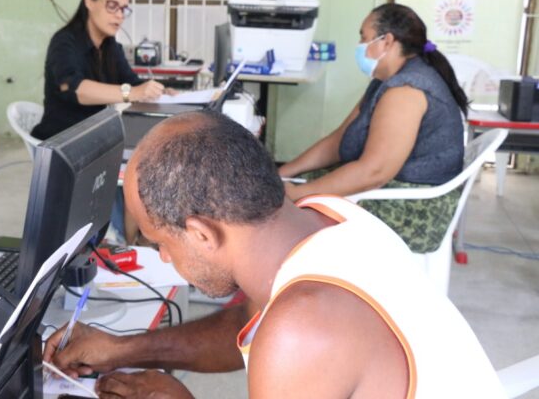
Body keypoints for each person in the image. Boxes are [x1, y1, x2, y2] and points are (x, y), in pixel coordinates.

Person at [44, 111, 505, 398]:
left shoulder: (299, 330)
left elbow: (284, 330)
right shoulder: (327, 216)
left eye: (160, 243)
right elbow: (247, 322)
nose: (164, 259)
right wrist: (125, 349)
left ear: (202, 234)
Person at [278, 3, 466, 252]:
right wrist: (283, 173)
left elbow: (374, 172)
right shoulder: (385, 80)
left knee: (289, 215)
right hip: (392, 190)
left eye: (364, 37)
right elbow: (338, 140)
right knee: (288, 194)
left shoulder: (406, 91)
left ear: (387, 41)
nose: (359, 45)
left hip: (413, 209)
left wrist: (299, 194)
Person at [30, 0, 168, 140]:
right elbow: (75, 89)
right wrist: (132, 93)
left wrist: (161, 91)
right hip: (62, 139)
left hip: (95, 134)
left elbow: (133, 82)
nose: (119, 15)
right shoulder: (64, 42)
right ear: (89, 2)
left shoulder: (111, 46)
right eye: (112, 6)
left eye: (124, 9)